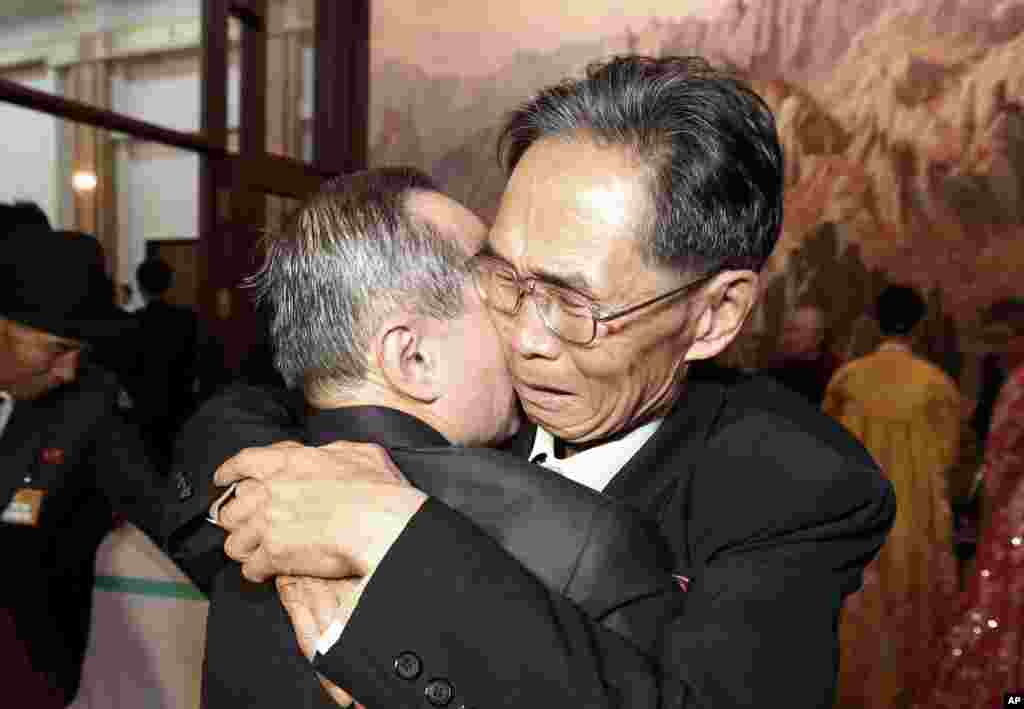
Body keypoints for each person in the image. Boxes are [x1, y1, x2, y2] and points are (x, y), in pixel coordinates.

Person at [177, 55, 896, 708]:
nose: (521, 336)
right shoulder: (482, 397)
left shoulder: (794, 486)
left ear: (714, 314)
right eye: (503, 276)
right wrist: (281, 475)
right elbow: (262, 404)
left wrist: (395, 539)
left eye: (574, 303)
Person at [169, 167, 684, 708]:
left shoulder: (248, 510)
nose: (529, 330)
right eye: (500, 295)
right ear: (411, 358)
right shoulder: (586, 537)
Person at [0, 225, 165, 707]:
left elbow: (163, 511)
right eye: (56, 349)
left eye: (79, 352)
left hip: (26, 675)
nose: (69, 369)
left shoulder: (86, 406)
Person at [823, 284, 962, 709]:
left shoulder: (848, 378)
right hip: (915, 514)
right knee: (910, 602)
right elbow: (949, 457)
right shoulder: (936, 384)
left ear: (875, 320)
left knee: (857, 606)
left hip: (857, 512)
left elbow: (827, 448)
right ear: (920, 326)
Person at [916, 304, 1024, 708]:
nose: (994, 351)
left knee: (1003, 611)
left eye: (1000, 340)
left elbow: (1001, 458)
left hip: (1018, 514)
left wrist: (988, 516)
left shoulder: (1018, 383)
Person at [125, 257, 202, 468]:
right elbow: (197, 360)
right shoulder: (188, 320)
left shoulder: (132, 323)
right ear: (170, 284)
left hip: (144, 406)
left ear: (140, 287)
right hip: (181, 404)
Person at [761, 302, 841, 405]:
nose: (787, 338)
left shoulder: (836, 374)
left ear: (819, 336)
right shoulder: (774, 368)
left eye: (795, 331)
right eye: (785, 331)